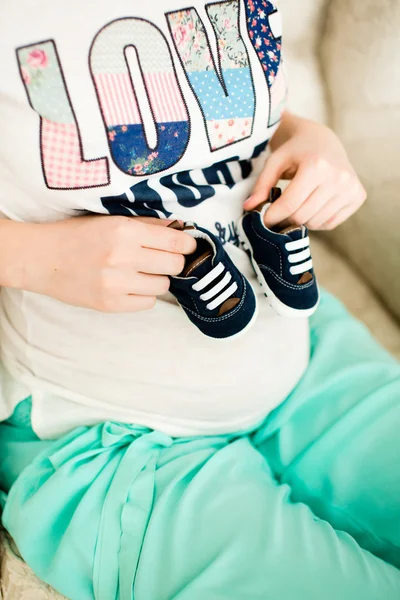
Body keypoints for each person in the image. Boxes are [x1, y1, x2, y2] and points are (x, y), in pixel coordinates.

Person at [0, 1, 399, 599]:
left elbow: (196, 97)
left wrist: (304, 136)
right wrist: (30, 256)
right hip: (105, 437)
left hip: (302, 349)